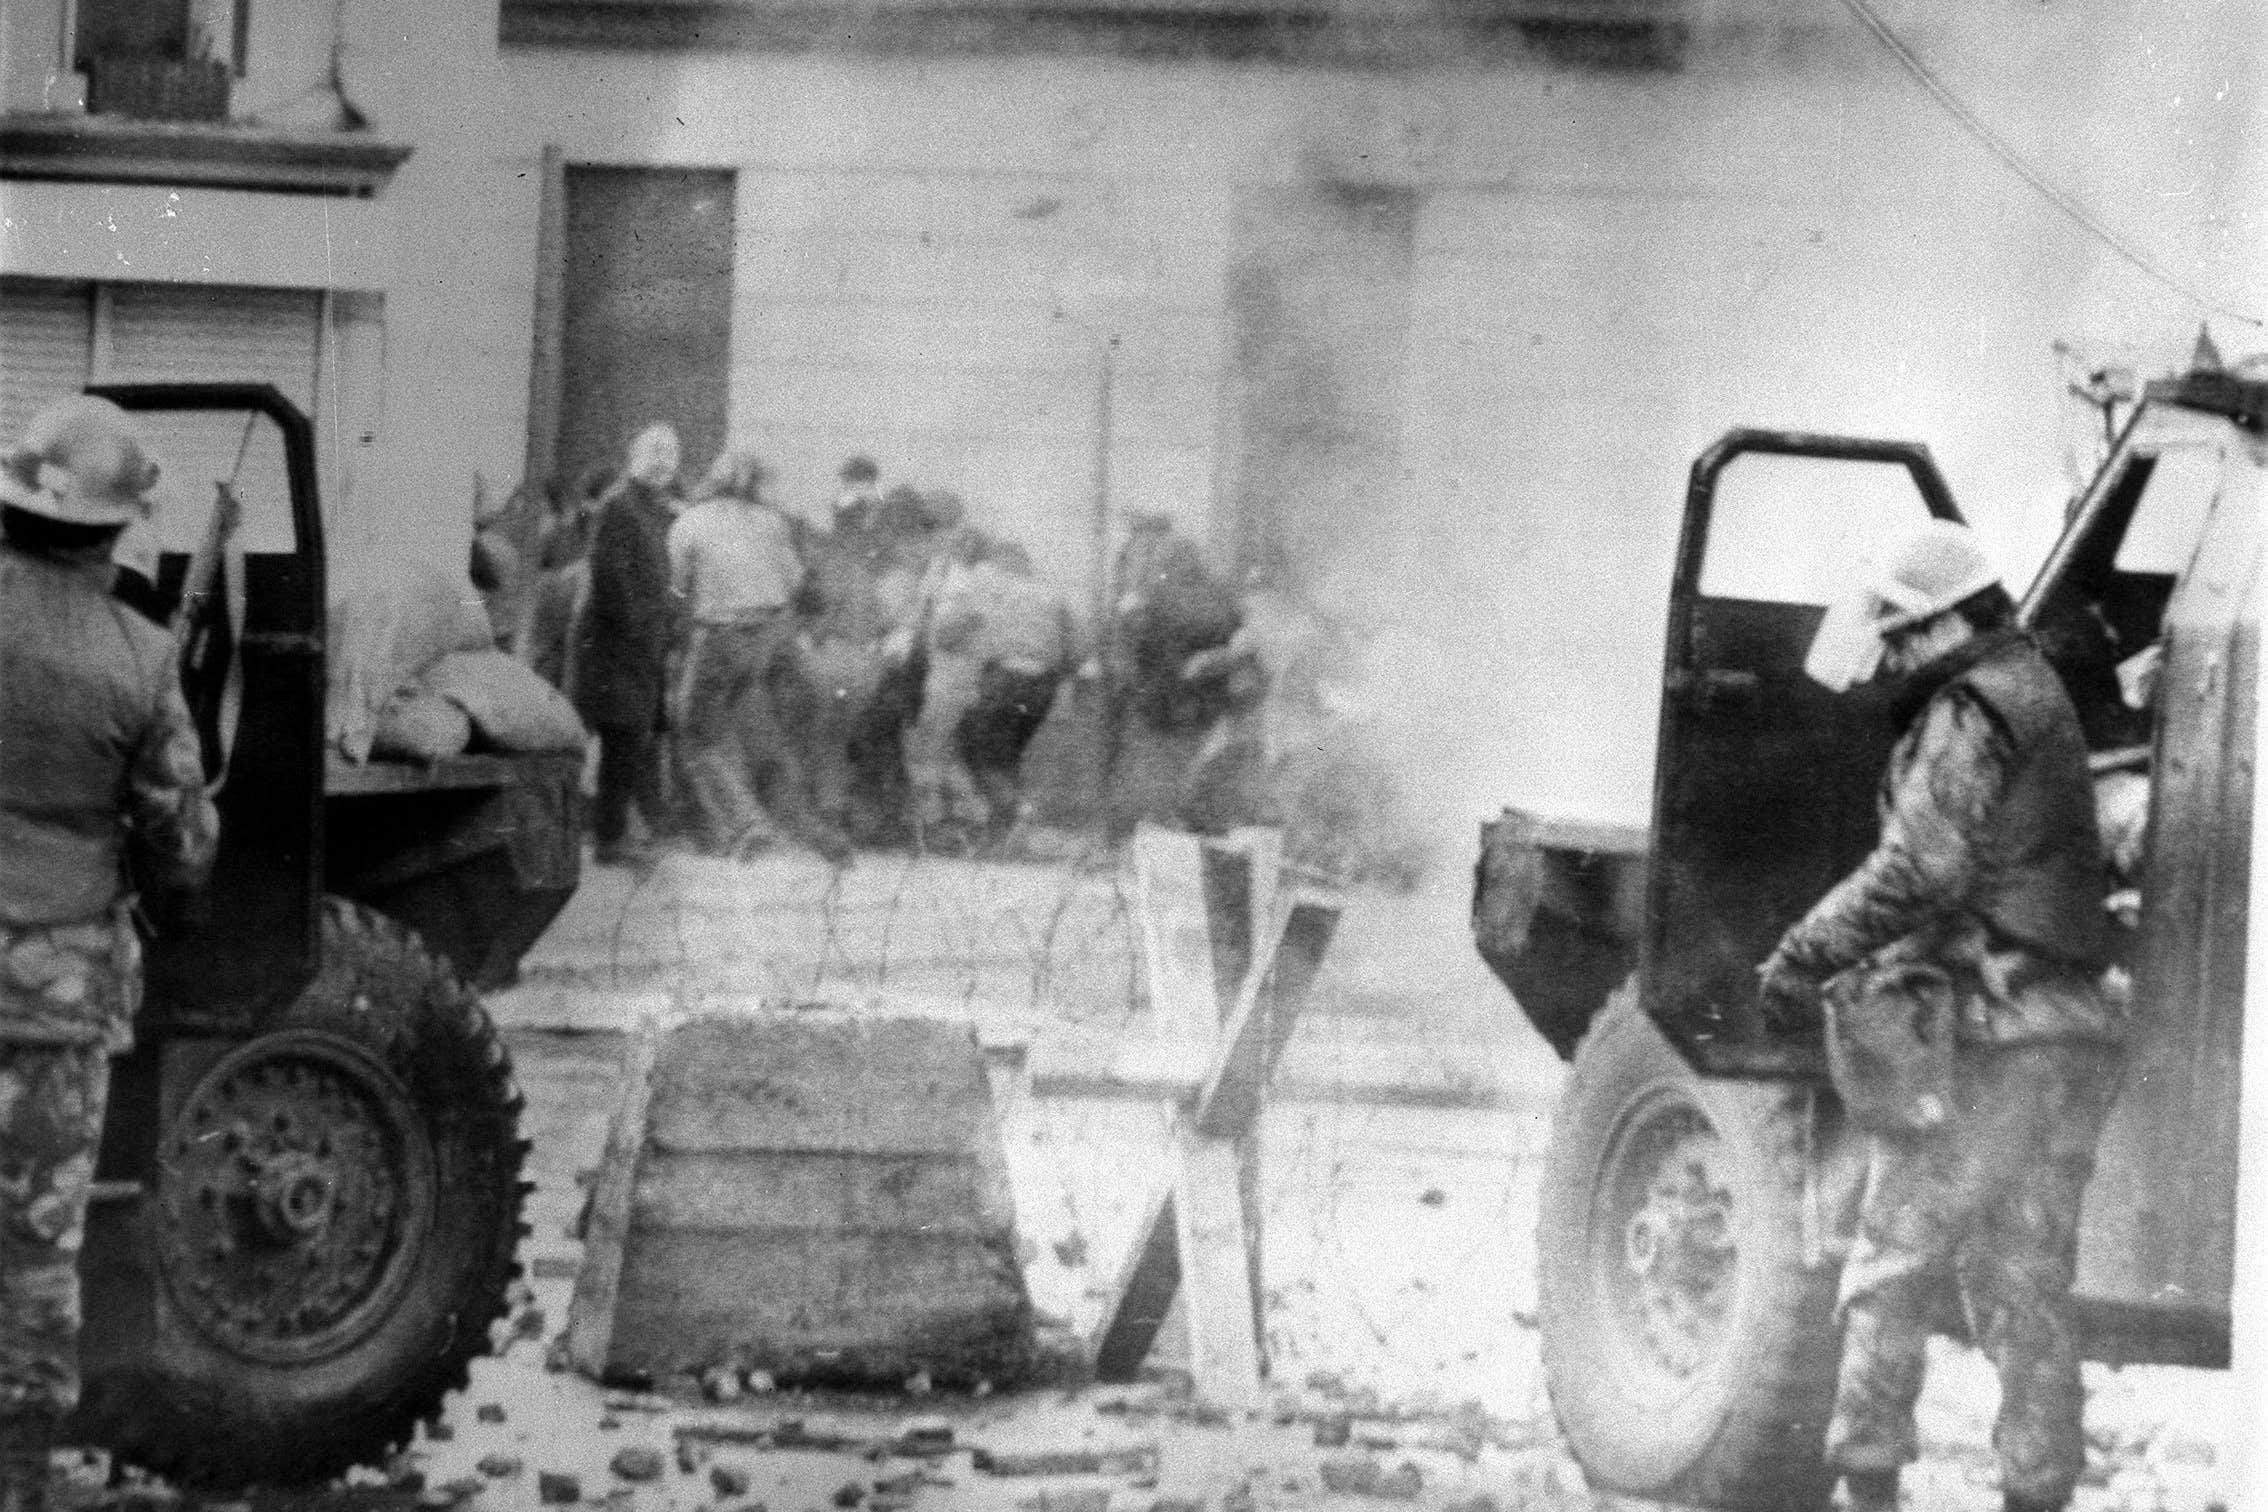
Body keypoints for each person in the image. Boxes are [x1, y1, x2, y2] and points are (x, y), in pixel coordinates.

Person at [1754, 519, 2125, 1512]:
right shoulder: (2036, 688)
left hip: (1985, 1042)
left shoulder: (1971, 709)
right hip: (2065, 1034)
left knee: (1891, 1265)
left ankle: (1869, 1484)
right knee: (2026, 1285)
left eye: (1906, 633)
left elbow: (1918, 870)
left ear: (1951, 622)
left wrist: (1801, 954)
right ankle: (2037, 1493)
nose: (1895, 656)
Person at [0, 396, 220, 1512]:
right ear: (117, 526)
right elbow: (181, 845)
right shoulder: (138, 657)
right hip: (53, 1000)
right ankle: (16, 1478)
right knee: (34, 1251)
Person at [668, 447, 849, 863]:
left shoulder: (691, 521)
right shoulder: (772, 522)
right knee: (755, 734)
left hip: (717, 636)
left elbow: (675, 586)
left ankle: (747, 826)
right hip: (766, 638)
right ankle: (806, 828)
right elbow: (797, 584)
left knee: (698, 737)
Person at [573, 423, 682, 866]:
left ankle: (617, 834)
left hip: (642, 644)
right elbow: (610, 577)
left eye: (670, 454)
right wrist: (641, 627)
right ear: (633, 456)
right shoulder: (618, 506)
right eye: (654, 452)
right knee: (619, 738)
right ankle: (608, 839)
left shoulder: (658, 509)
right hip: (615, 644)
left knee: (632, 739)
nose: (663, 462)